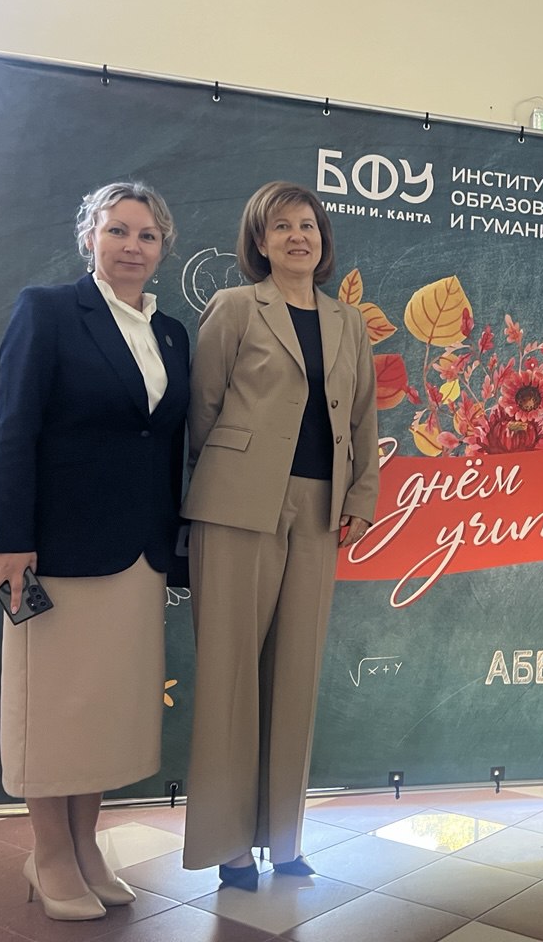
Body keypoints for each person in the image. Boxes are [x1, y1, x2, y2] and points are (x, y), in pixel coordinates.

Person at [0, 182, 188, 920]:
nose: (132, 245)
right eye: (116, 230)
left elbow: (165, 445)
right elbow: (14, 428)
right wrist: (11, 538)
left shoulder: (170, 334)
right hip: (57, 552)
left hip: (138, 555)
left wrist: (176, 546)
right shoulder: (48, 310)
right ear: (88, 238)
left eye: (147, 235)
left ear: (163, 249)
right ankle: (49, 853)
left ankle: (85, 844)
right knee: (55, 709)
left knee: (104, 710)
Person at [181, 181, 379, 890]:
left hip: (320, 510)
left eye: (309, 225)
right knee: (229, 676)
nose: (299, 236)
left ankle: (285, 840)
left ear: (323, 241)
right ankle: (230, 847)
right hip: (236, 507)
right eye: (283, 226)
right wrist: (224, 484)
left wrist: (360, 497)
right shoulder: (235, 307)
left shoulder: (348, 321)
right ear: (259, 242)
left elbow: (363, 418)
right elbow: (202, 410)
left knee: (296, 676)